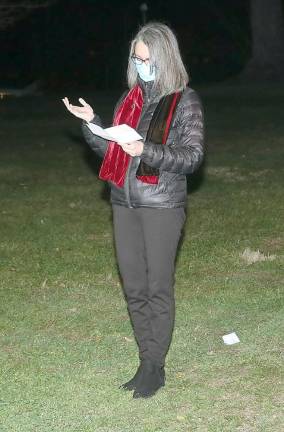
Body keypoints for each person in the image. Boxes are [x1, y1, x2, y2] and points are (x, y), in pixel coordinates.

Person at [62, 22, 204, 399]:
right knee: (134, 287)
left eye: (147, 60)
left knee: (158, 287)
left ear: (163, 58)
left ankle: (155, 366)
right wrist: (92, 125)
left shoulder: (184, 100)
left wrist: (148, 151)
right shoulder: (130, 101)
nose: (142, 66)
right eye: (136, 59)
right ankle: (145, 359)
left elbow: (192, 157)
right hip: (124, 202)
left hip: (161, 206)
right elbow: (112, 153)